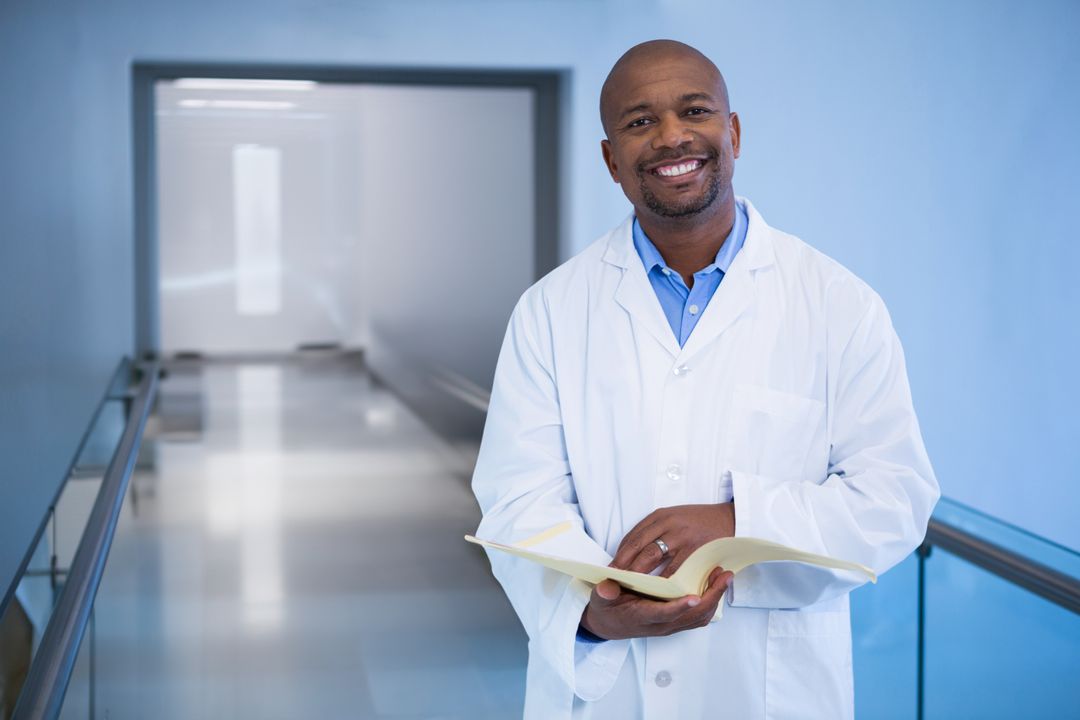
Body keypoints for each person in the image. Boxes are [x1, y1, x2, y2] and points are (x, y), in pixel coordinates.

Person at [471, 39, 939, 720]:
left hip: (772, 694)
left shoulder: (839, 304)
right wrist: (596, 619)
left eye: (694, 110)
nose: (670, 137)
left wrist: (736, 520)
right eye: (639, 122)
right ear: (611, 160)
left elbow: (895, 499)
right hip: (607, 693)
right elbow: (518, 499)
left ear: (734, 132)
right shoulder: (551, 309)